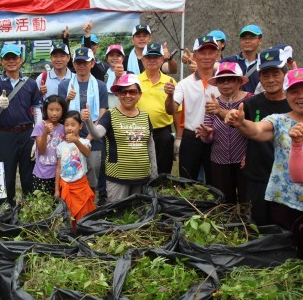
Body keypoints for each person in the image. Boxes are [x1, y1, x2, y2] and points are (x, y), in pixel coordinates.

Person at [225, 68, 303, 258]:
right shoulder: (279, 121)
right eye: (294, 91)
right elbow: (257, 130)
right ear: (287, 94)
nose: (300, 96)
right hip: (286, 201)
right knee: (286, 252)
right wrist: (241, 122)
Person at [83, 73, 157, 202]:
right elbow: (97, 134)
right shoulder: (110, 114)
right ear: (117, 94)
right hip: (117, 176)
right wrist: (88, 121)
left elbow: (150, 145)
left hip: (142, 175)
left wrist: (154, 173)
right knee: (118, 214)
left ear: (139, 94)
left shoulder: (145, 116)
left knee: (138, 213)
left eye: (132, 92)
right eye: (123, 92)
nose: (127, 95)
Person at [242, 47, 291, 225]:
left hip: (288, 178)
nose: (270, 80)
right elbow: (244, 131)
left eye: (276, 74)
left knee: (286, 227)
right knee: (258, 225)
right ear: (259, 77)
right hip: (258, 175)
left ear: (285, 74)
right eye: (265, 75)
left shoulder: (295, 105)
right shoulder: (250, 104)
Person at [0, 43, 42, 205]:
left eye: (14, 57)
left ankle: (29, 208)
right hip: (5, 135)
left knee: (28, 174)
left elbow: (37, 110)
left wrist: (37, 135)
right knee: (7, 173)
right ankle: (7, 208)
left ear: (21, 60)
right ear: (2, 61)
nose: (11, 61)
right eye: (7, 58)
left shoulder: (30, 83)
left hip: (27, 133)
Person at [165, 36, 220, 182]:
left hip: (217, 137)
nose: (207, 57)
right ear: (194, 56)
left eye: (211, 52)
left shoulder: (224, 81)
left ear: (217, 55)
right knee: (187, 182)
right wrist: (169, 96)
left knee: (216, 183)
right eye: (202, 52)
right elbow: (171, 110)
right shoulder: (184, 84)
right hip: (192, 138)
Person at [196, 62, 252, 204]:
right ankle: (228, 226)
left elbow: (256, 131)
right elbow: (207, 138)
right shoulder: (213, 102)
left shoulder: (251, 100)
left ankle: (246, 225)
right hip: (219, 160)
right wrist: (206, 134)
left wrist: (251, 154)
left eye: (231, 79)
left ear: (240, 81)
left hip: (245, 160)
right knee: (224, 201)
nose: (225, 84)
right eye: (221, 80)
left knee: (247, 199)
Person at [58, 47, 108, 197]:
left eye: (85, 62)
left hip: (93, 135)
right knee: (72, 169)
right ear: (73, 64)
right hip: (71, 134)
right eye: (78, 62)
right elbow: (60, 113)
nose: (81, 66)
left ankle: (90, 205)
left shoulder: (100, 86)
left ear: (92, 63)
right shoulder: (65, 85)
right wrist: (67, 99)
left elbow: (102, 113)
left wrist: (89, 137)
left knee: (92, 171)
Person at [137, 42, 176, 175]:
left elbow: (177, 112)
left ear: (162, 59)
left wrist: (179, 138)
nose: (152, 60)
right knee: (140, 171)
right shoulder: (135, 81)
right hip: (138, 132)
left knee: (163, 172)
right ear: (142, 60)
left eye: (156, 57)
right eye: (148, 57)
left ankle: (160, 195)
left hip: (163, 133)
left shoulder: (170, 81)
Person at [54, 110, 95, 228]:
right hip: (66, 186)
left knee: (83, 214)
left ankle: (83, 233)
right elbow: (58, 168)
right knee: (68, 214)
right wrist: (57, 189)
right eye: (66, 125)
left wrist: (76, 141)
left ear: (80, 126)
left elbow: (86, 153)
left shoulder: (84, 142)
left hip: (81, 186)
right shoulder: (60, 146)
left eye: (73, 125)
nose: (69, 128)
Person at [32, 95, 67, 194]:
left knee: (57, 204)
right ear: (46, 110)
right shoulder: (40, 126)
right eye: (51, 109)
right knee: (41, 204)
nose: (54, 113)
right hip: (42, 173)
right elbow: (42, 150)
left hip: (59, 173)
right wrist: (45, 133)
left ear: (63, 111)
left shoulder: (63, 128)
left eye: (58, 110)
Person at [220, 24, 263, 93]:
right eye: (244, 38)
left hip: (256, 103)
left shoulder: (263, 64)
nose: (247, 41)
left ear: (260, 41)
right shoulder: (229, 62)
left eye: (251, 38)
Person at [104, 44, 128, 109]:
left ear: (123, 58)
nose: (115, 58)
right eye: (111, 55)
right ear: (107, 58)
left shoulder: (129, 75)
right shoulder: (102, 74)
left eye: (118, 55)